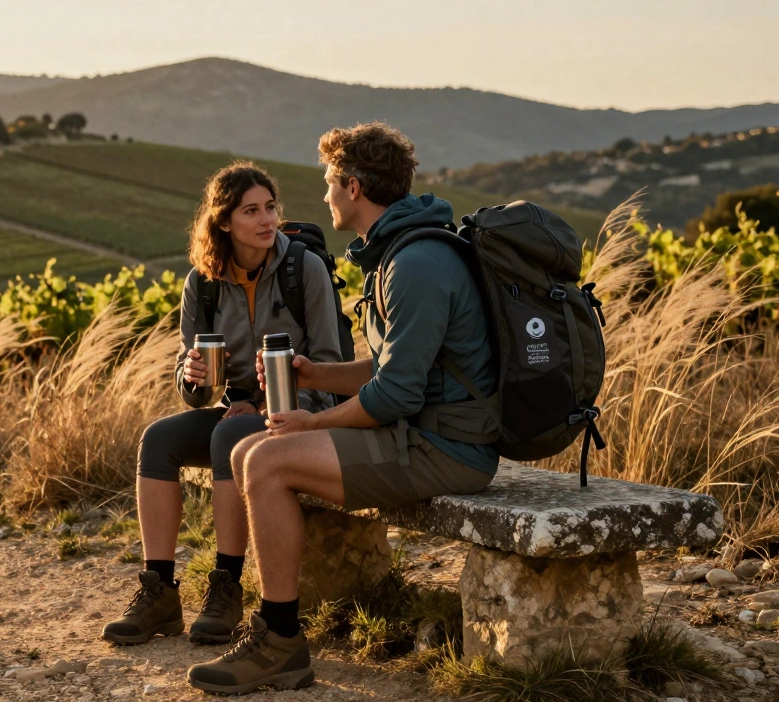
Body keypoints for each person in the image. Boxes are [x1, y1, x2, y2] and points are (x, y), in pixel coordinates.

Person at [185, 123, 500, 694]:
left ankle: (280, 640)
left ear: (354, 187)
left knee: (266, 461)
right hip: (423, 433)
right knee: (253, 449)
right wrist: (315, 373)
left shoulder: (416, 265)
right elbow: (390, 369)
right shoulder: (400, 251)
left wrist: (312, 419)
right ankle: (276, 631)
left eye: (330, 181)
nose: (324, 193)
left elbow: (395, 396)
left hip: (446, 448)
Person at [101, 162, 343, 647]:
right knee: (159, 440)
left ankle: (227, 586)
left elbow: (334, 370)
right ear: (224, 222)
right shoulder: (204, 284)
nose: (266, 219)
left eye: (270, 207)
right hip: (237, 414)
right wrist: (190, 377)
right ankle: (159, 591)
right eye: (250, 211)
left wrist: (269, 407)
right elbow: (196, 391)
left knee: (229, 434)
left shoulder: (303, 270)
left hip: (304, 416)